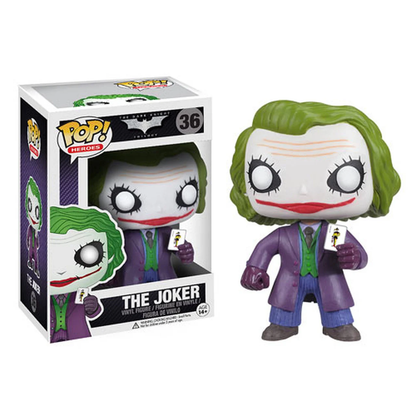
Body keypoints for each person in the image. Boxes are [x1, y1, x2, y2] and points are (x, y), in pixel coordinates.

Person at [230, 100, 400, 341]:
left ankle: (337, 324)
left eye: (346, 175)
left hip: (330, 280)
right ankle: (284, 324)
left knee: (337, 306)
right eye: (265, 176)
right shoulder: (282, 236)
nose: (303, 191)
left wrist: (355, 257)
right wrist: (254, 268)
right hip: (289, 281)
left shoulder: (336, 234)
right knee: (283, 308)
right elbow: (264, 249)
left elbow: (361, 255)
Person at [88, 143, 207, 286]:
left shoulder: (168, 233)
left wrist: (185, 252)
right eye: (125, 199)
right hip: (131, 282)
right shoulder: (122, 237)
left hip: (165, 279)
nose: (158, 208)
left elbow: (180, 249)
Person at [49, 206, 125, 342]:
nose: (61, 271)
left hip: (78, 336)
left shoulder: (82, 291)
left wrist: (93, 307)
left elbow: (92, 313)